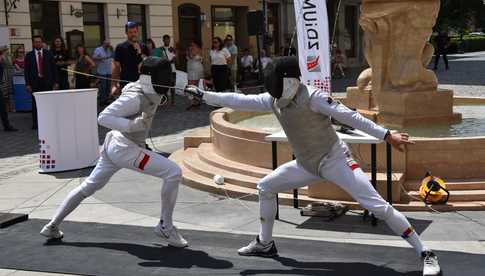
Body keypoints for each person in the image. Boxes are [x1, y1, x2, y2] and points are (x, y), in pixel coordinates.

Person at [185, 56, 442, 276]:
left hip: (335, 161)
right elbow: (238, 100)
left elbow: (350, 116)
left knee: (377, 206)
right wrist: (204, 95)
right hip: (306, 164)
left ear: (288, 81)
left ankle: (426, 252)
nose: (272, 85)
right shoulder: (272, 100)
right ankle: (265, 243)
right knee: (265, 186)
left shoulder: (314, 98)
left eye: (275, 80)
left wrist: (387, 135)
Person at [40, 56, 188, 248]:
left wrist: (191, 90)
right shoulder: (134, 97)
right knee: (173, 172)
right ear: (151, 78)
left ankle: (52, 225)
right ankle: (165, 227)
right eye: (163, 76)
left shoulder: (151, 87)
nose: (167, 80)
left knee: (88, 187)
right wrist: (132, 125)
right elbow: (103, 117)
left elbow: (172, 85)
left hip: (114, 147)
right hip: (126, 149)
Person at [24, 35, 59, 129]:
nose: (38, 43)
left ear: (42, 43)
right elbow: (26, 71)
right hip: (35, 83)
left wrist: (56, 82)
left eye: (39, 41)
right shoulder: (29, 55)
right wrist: (27, 84)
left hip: (47, 82)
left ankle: (48, 122)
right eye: (36, 42)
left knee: (48, 104)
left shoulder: (48, 54)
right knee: (35, 104)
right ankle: (35, 124)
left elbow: (54, 69)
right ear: (33, 43)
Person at [112, 21, 148, 98]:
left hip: (141, 83)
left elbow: (147, 64)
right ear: (126, 33)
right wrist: (114, 84)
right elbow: (116, 67)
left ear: (138, 32)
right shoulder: (120, 47)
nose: (133, 34)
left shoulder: (143, 46)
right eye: (130, 32)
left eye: (135, 32)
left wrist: (140, 52)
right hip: (126, 83)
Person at [153, 35, 177, 105]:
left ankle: (173, 101)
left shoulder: (173, 49)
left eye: (168, 40)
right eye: (166, 40)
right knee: (164, 85)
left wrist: (168, 61)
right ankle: (165, 99)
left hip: (172, 70)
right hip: (164, 70)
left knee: (172, 86)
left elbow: (175, 60)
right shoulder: (160, 49)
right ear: (163, 40)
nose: (167, 41)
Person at [0, 48, 17, 132]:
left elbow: (9, 65)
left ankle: (6, 125)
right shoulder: (2, 59)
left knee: (2, 106)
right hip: (2, 83)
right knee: (2, 105)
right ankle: (6, 125)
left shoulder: (3, 60)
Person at [93, 40, 113, 105]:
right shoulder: (98, 49)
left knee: (108, 86)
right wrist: (103, 57)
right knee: (103, 87)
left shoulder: (109, 50)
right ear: (104, 44)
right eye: (107, 44)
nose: (108, 45)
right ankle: (102, 100)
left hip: (109, 71)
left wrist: (112, 49)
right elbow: (94, 57)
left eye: (109, 44)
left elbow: (113, 56)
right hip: (102, 72)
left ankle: (106, 100)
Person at [186, 40, 204, 110]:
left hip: (195, 69)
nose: (191, 45)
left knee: (191, 86)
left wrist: (189, 50)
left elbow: (190, 56)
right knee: (195, 86)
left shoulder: (196, 49)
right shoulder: (194, 49)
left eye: (192, 44)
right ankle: (196, 102)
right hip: (192, 69)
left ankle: (194, 103)